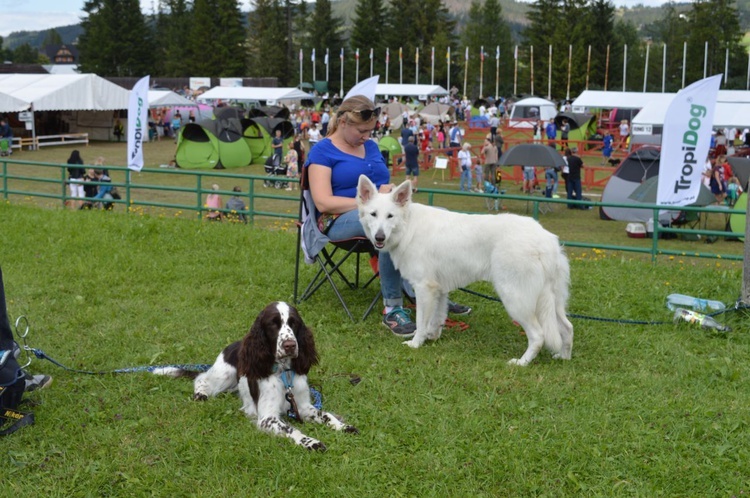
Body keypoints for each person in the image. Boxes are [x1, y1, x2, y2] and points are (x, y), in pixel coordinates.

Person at [306, 95, 469, 338]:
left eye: (370, 131)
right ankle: (393, 307)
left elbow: (381, 187)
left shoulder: (371, 147)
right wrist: (370, 204)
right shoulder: (322, 151)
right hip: (336, 219)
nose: (366, 136)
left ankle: (427, 291)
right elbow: (323, 201)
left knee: (435, 220)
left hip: (381, 209)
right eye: (361, 130)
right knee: (387, 230)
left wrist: (387, 194)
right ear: (342, 123)